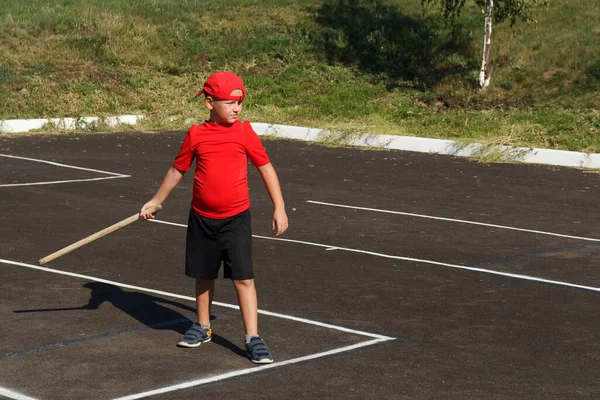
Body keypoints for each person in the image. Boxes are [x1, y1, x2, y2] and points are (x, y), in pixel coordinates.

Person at [139, 71, 288, 364]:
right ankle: (202, 326)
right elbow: (177, 170)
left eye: (240, 103)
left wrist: (279, 207)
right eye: (230, 103)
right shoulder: (196, 134)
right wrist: (156, 201)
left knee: (243, 278)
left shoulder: (244, 132)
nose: (236, 108)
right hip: (202, 218)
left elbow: (266, 167)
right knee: (203, 275)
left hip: (236, 219)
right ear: (209, 102)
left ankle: (253, 338)